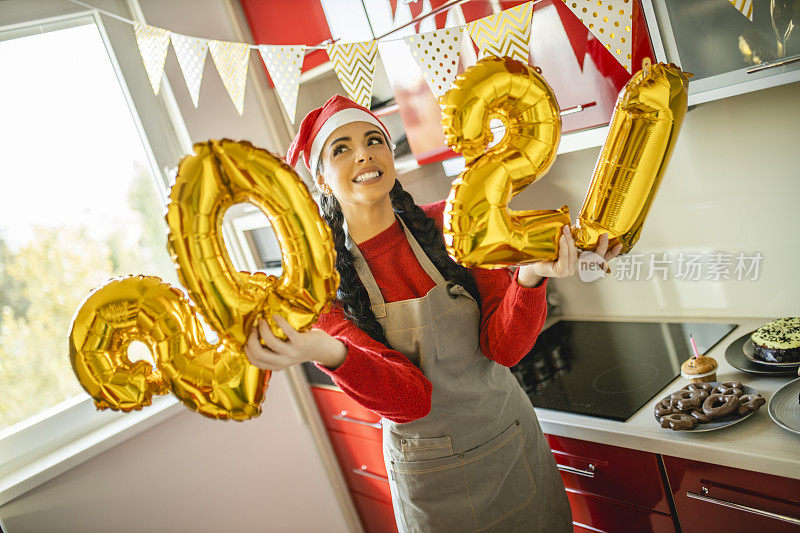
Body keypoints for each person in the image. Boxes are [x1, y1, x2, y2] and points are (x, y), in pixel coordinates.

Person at [244, 95, 622, 532]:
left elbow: (505, 348)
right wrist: (325, 349)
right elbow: (409, 400)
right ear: (323, 180)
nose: (364, 153)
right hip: (433, 483)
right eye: (341, 148)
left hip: (513, 447)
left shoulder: (453, 223)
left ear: (390, 154)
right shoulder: (323, 286)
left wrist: (532, 274)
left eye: (373, 140)